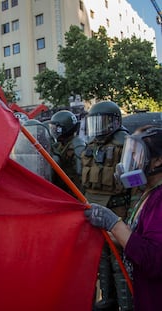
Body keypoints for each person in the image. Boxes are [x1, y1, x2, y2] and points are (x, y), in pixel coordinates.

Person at [85, 126, 162, 311]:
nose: (130, 160)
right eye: (130, 153)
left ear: (158, 160)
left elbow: (153, 259)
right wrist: (104, 229)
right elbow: (137, 238)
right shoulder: (150, 192)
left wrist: (114, 223)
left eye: (136, 153)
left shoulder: (160, 199)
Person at [81, 101, 131, 310]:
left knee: (117, 259)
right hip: (95, 207)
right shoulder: (91, 146)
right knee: (100, 258)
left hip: (118, 209)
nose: (99, 127)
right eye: (95, 122)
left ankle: (125, 304)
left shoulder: (125, 144)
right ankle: (107, 300)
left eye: (103, 122)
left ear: (115, 122)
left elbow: (135, 183)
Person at [49, 110, 86, 195]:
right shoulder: (59, 145)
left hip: (73, 191)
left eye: (56, 129)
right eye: (52, 128)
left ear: (66, 128)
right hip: (62, 187)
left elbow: (80, 174)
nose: (54, 132)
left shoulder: (77, 146)